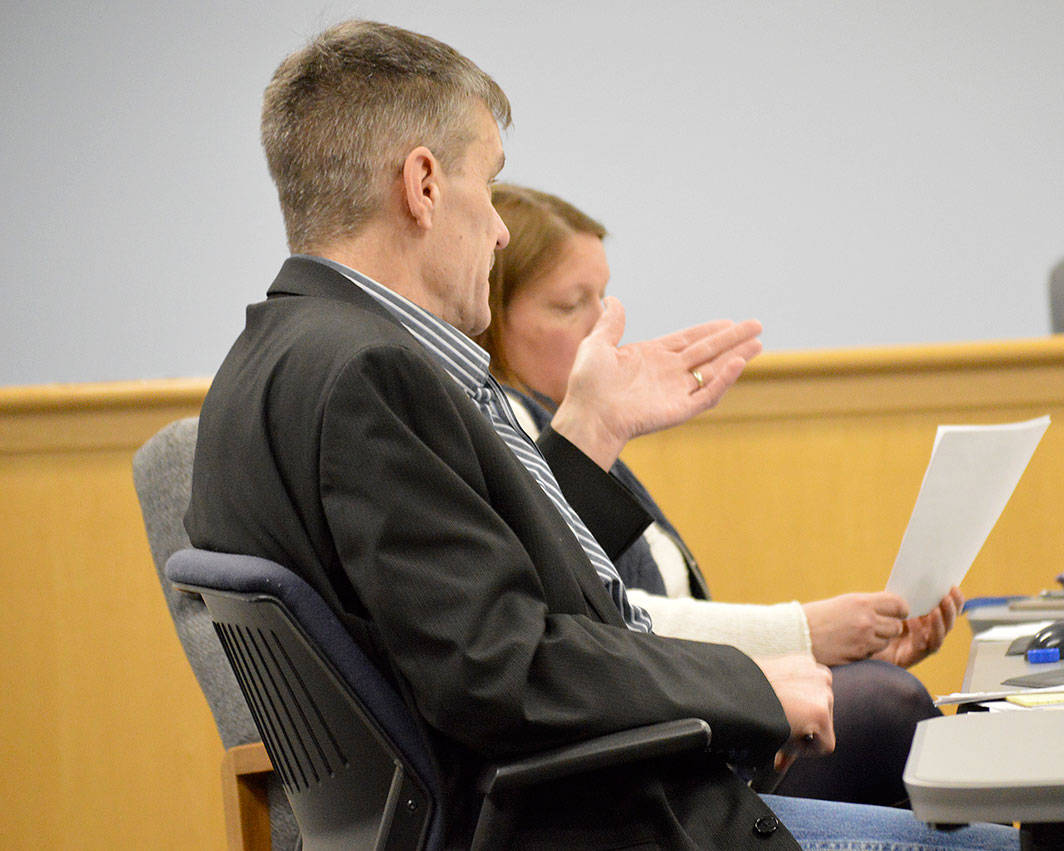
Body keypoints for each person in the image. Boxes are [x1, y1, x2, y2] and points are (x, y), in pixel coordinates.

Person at [186, 19, 1017, 850]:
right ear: (425, 185)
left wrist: (590, 431)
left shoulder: (265, 365)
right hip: (604, 821)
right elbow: (498, 669)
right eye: (490, 181)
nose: (502, 229)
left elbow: (483, 596)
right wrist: (749, 683)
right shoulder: (373, 374)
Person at [478, 183, 959, 806]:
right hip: (646, 766)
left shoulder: (564, 424)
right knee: (889, 708)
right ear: (493, 315)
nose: (604, 326)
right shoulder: (518, 436)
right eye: (572, 305)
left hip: (689, 724)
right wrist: (802, 635)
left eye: (605, 296)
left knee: (885, 701)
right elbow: (604, 624)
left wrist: (815, 652)